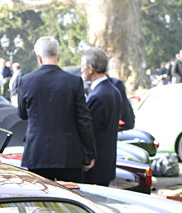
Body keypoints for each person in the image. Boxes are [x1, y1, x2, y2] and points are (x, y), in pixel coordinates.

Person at [17, 36, 96, 183]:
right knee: (70, 201)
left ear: (39, 58)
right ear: (58, 57)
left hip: (37, 153)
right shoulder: (73, 81)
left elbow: (22, 114)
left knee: (40, 202)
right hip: (67, 154)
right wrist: (90, 152)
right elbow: (84, 120)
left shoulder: (26, 81)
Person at [80, 47, 122, 187]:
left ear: (91, 68)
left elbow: (90, 131)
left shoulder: (98, 95)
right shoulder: (113, 90)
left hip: (96, 167)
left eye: (83, 66)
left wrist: (87, 157)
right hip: (107, 163)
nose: (81, 70)